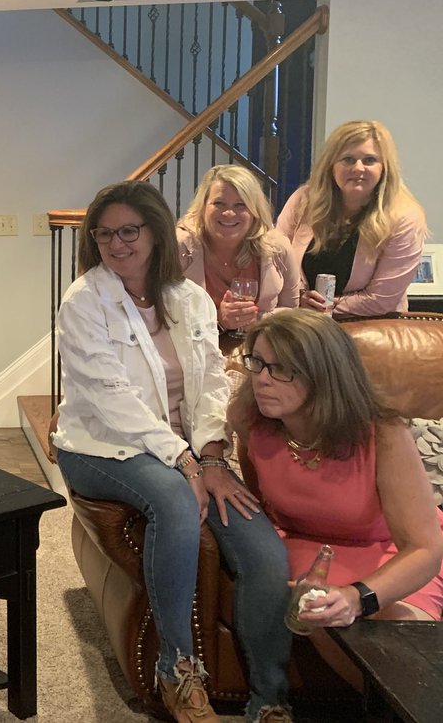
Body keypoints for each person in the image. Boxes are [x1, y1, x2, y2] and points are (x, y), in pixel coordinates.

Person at [53, 181, 293, 723]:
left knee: (262, 551)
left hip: (185, 446)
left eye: (128, 231)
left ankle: (271, 698)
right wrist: (184, 462)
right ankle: (178, 671)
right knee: (175, 499)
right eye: (104, 234)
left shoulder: (190, 299)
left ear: (156, 232)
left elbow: (211, 385)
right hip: (100, 445)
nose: (116, 244)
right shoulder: (84, 300)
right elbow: (110, 399)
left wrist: (211, 456)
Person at [231, 311, 443, 654]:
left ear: (324, 374)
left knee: (406, 649)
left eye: (281, 368)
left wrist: (358, 597)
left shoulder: (383, 432)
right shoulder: (248, 420)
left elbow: (424, 549)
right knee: (322, 614)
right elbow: (262, 508)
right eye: (257, 362)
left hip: (393, 551)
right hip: (306, 547)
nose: (262, 380)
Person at [277, 120, 426, 317]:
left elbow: (381, 300)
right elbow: (277, 261)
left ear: (384, 167)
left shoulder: (405, 217)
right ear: (331, 165)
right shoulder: (303, 200)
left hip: (370, 325)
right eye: (347, 159)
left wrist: (323, 307)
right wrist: (298, 298)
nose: (358, 168)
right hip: (304, 322)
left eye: (369, 160)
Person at [177, 164, 298, 335]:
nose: (229, 213)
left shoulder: (278, 246)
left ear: (254, 211)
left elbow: (292, 311)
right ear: (203, 206)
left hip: (261, 346)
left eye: (240, 205)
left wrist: (256, 321)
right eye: (219, 203)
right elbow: (164, 314)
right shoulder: (180, 246)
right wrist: (218, 319)